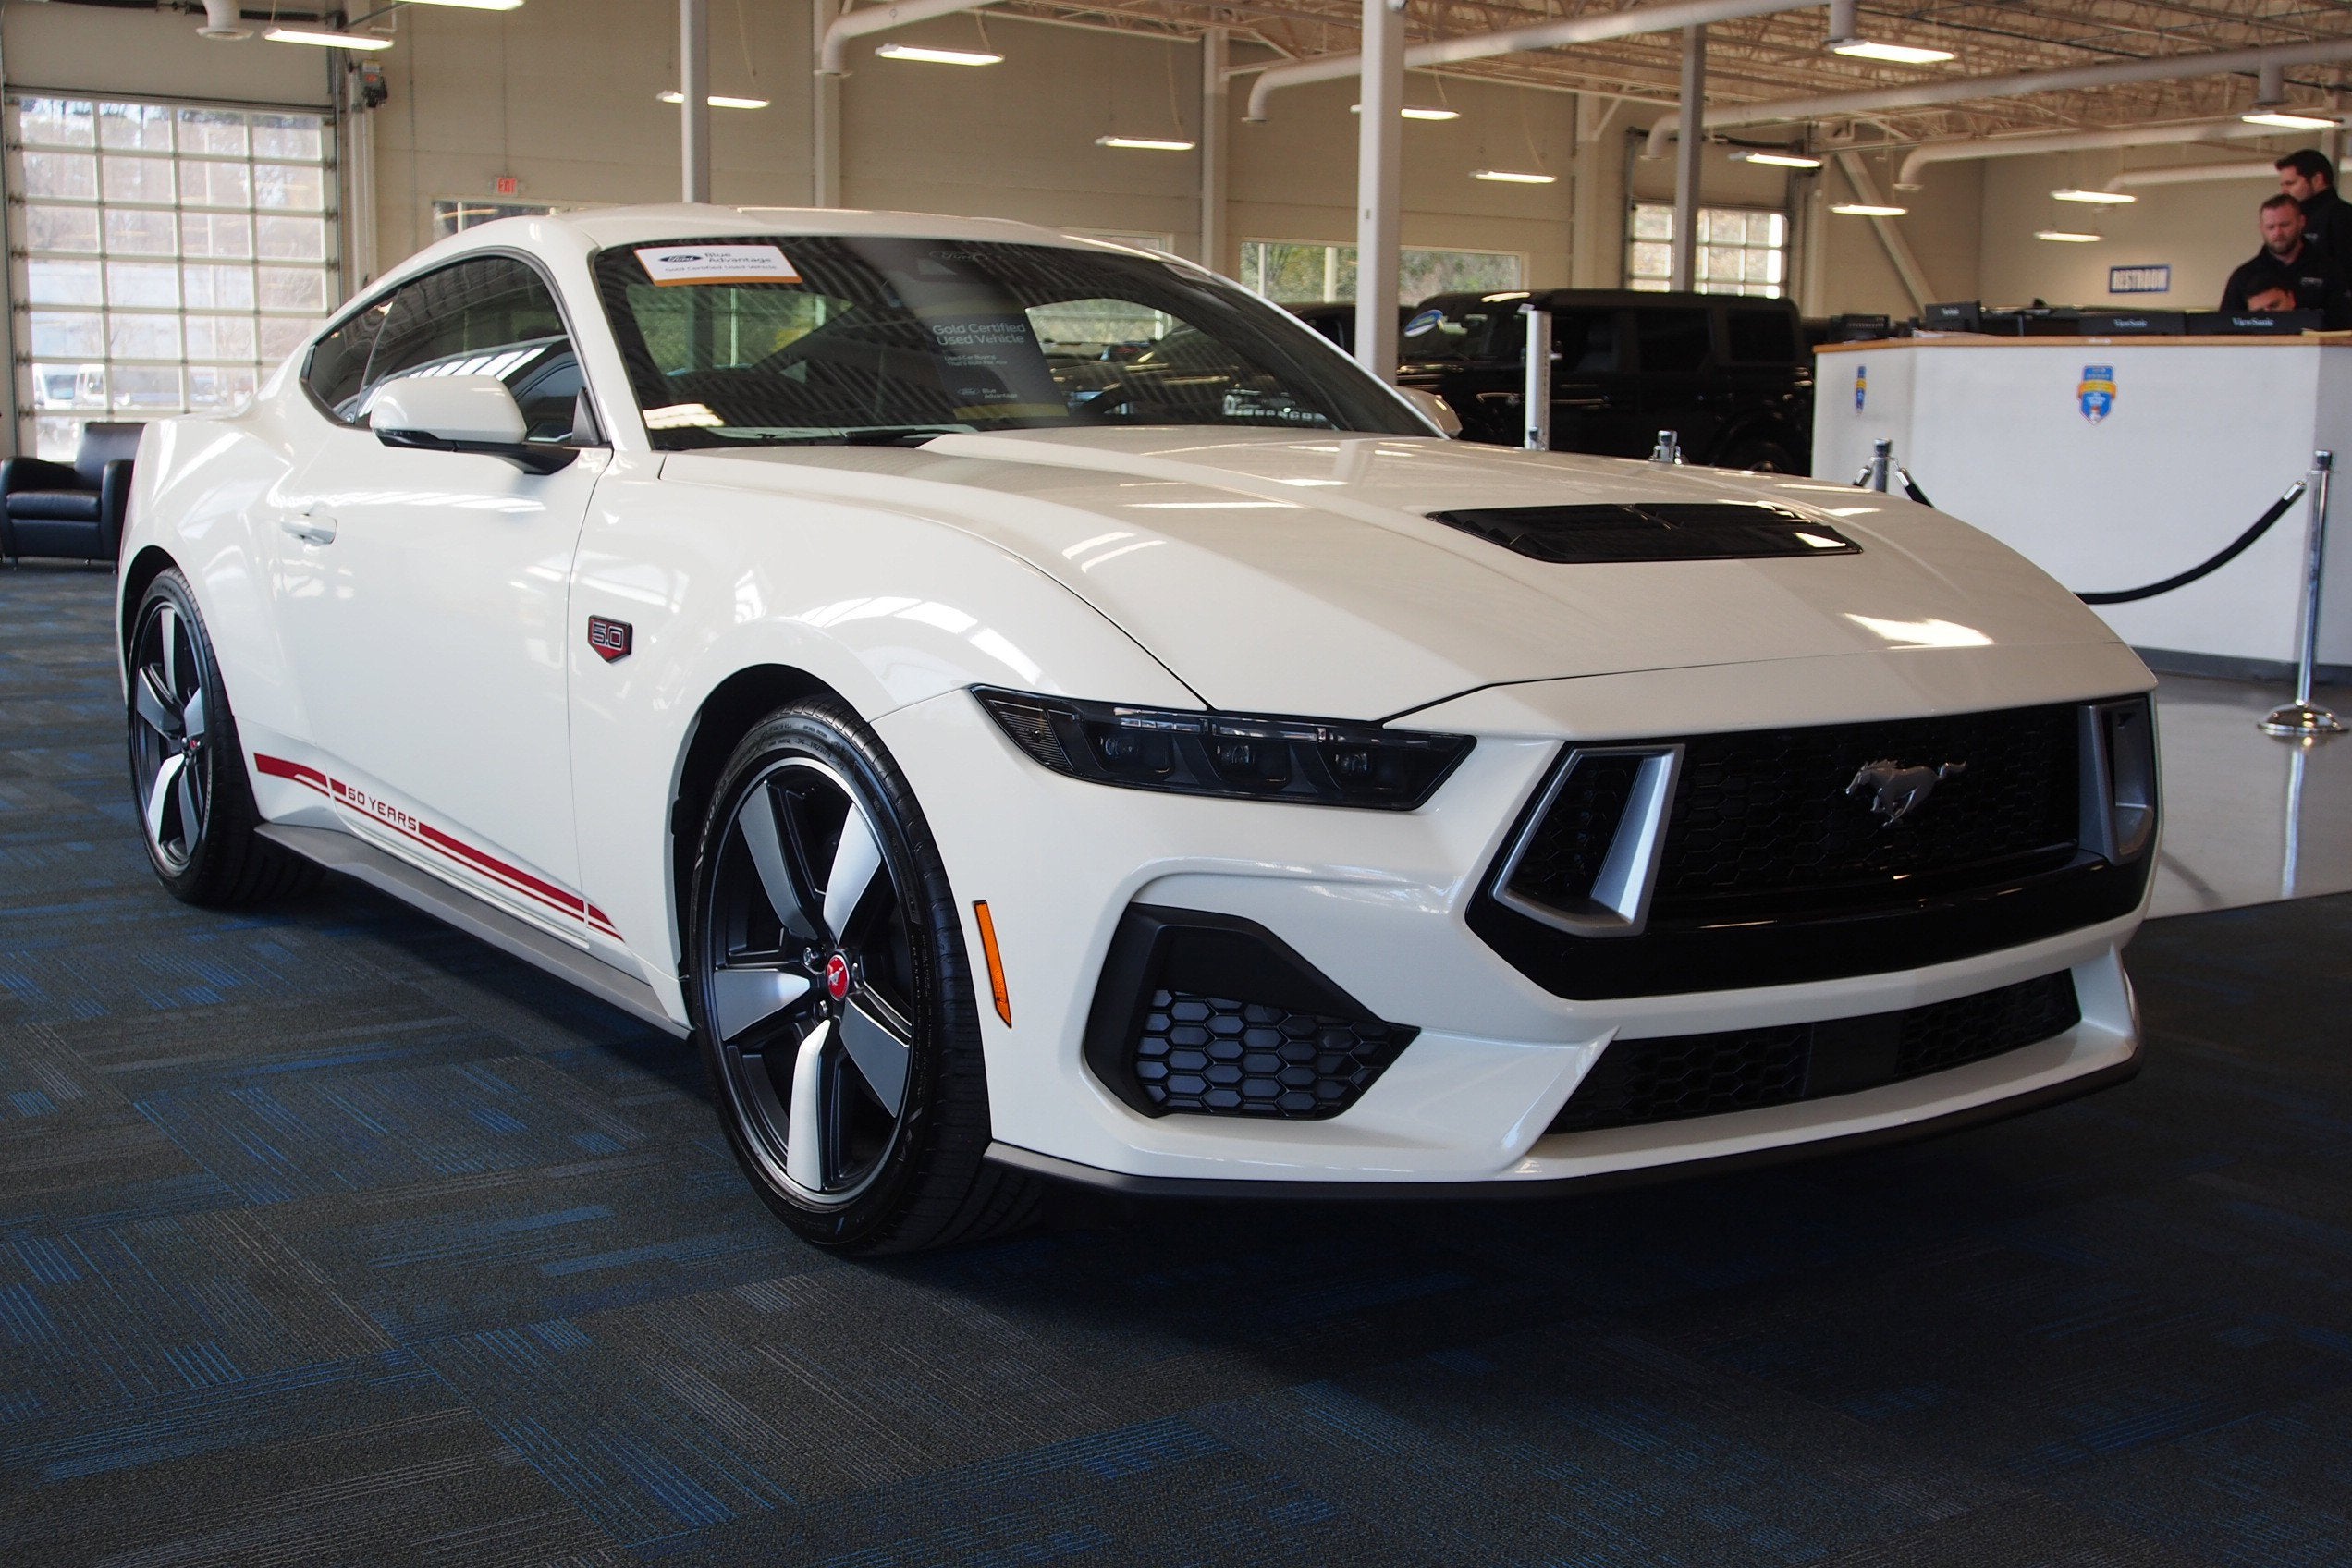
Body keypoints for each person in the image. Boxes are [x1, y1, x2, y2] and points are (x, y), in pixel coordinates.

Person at [2221, 194, 2352, 326]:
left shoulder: (2329, 270)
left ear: (2301, 222)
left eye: (2284, 225)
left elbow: (2345, 325)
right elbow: (2224, 328)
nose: (2277, 233)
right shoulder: (2243, 276)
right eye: (2270, 227)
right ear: (2261, 228)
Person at [2276, 148, 2352, 260]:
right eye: (2282, 185)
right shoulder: (2292, 218)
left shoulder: (2342, 216)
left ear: (2317, 180)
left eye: (2290, 183)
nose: (2284, 191)